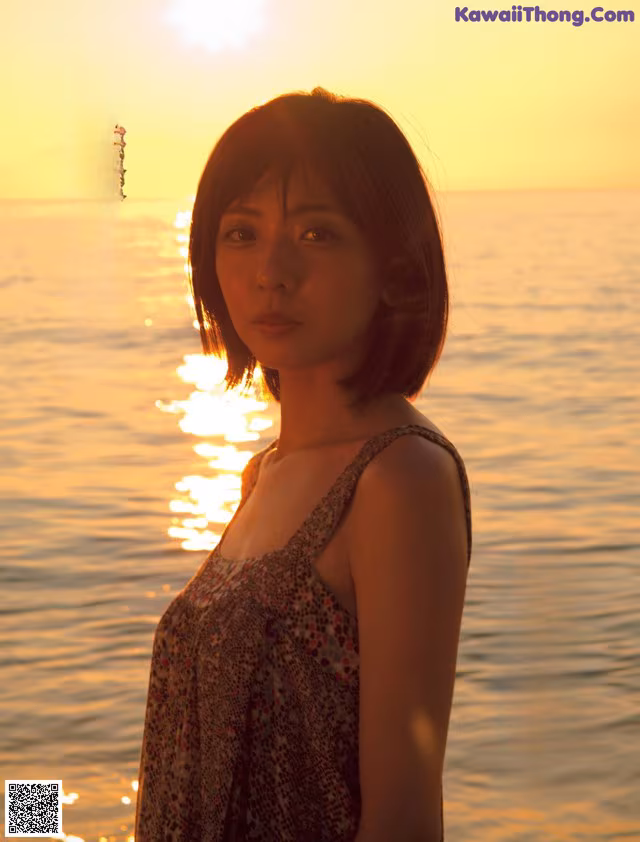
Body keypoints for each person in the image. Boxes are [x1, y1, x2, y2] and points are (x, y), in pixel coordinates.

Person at [134, 86, 472, 842]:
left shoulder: (399, 479)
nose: (271, 272)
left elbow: (405, 812)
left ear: (394, 268)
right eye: (241, 234)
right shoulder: (265, 473)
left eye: (316, 234)